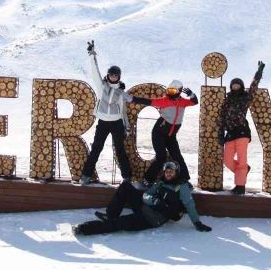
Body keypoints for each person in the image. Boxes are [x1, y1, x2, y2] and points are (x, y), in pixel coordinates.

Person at [73, 161, 212, 235]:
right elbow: (147, 194)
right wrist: (152, 200)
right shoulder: (161, 182)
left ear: (176, 173)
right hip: (145, 207)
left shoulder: (182, 187)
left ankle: (85, 229)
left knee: (120, 224)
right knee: (126, 186)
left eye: (171, 172)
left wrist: (197, 223)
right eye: (167, 171)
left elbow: (189, 205)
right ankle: (111, 214)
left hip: (152, 219)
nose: (168, 174)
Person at [80, 40, 133, 185]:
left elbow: (123, 111)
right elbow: (95, 71)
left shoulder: (120, 92)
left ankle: (127, 176)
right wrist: (91, 55)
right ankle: (86, 175)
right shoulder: (101, 86)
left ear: (119, 76)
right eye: (111, 75)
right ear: (108, 75)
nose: (113, 77)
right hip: (103, 123)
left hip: (116, 123)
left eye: (116, 76)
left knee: (120, 150)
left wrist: (126, 127)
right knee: (96, 148)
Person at [130, 79, 198, 184]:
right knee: (161, 157)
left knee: (177, 157)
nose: (170, 93)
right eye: (169, 91)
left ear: (179, 92)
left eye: (173, 91)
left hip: (171, 136)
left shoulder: (183, 102)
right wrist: (131, 98)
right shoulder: (164, 100)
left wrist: (192, 94)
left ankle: (184, 179)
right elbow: (147, 101)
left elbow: (194, 102)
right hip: (159, 133)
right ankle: (148, 179)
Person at [218, 61, 265, 194]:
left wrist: (259, 73)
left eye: (238, 84)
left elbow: (254, 87)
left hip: (242, 132)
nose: (236, 86)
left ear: (241, 86)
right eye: (234, 84)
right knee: (227, 160)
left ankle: (240, 187)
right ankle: (243, 171)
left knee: (242, 160)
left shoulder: (245, 98)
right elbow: (222, 118)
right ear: (231, 86)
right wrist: (220, 134)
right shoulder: (227, 101)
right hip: (230, 134)